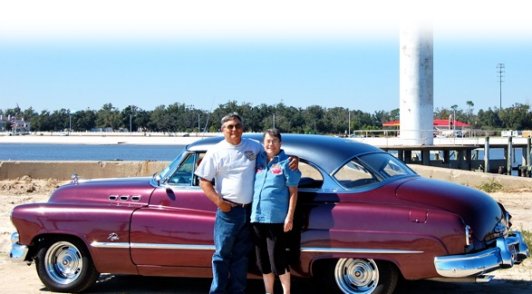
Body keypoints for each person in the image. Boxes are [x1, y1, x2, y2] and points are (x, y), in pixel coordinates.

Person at [195, 113, 297, 294]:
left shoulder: (254, 147)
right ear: (222, 130)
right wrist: (219, 202)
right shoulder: (216, 151)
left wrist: (293, 159)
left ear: (242, 128)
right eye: (230, 126)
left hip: (251, 211)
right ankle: (217, 291)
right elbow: (204, 180)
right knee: (222, 255)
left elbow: (275, 153)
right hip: (228, 210)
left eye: (237, 126)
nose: (234, 129)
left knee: (242, 255)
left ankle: (238, 290)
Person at [250, 128, 301, 294]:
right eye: (267, 141)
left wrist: (289, 217)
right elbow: (239, 159)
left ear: (280, 143)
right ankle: (269, 291)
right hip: (256, 217)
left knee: (276, 259)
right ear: (263, 143)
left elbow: (293, 192)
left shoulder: (287, 163)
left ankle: (286, 292)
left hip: (276, 218)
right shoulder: (259, 159)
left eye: (274, 141)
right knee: (262, 260)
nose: (270, 144)